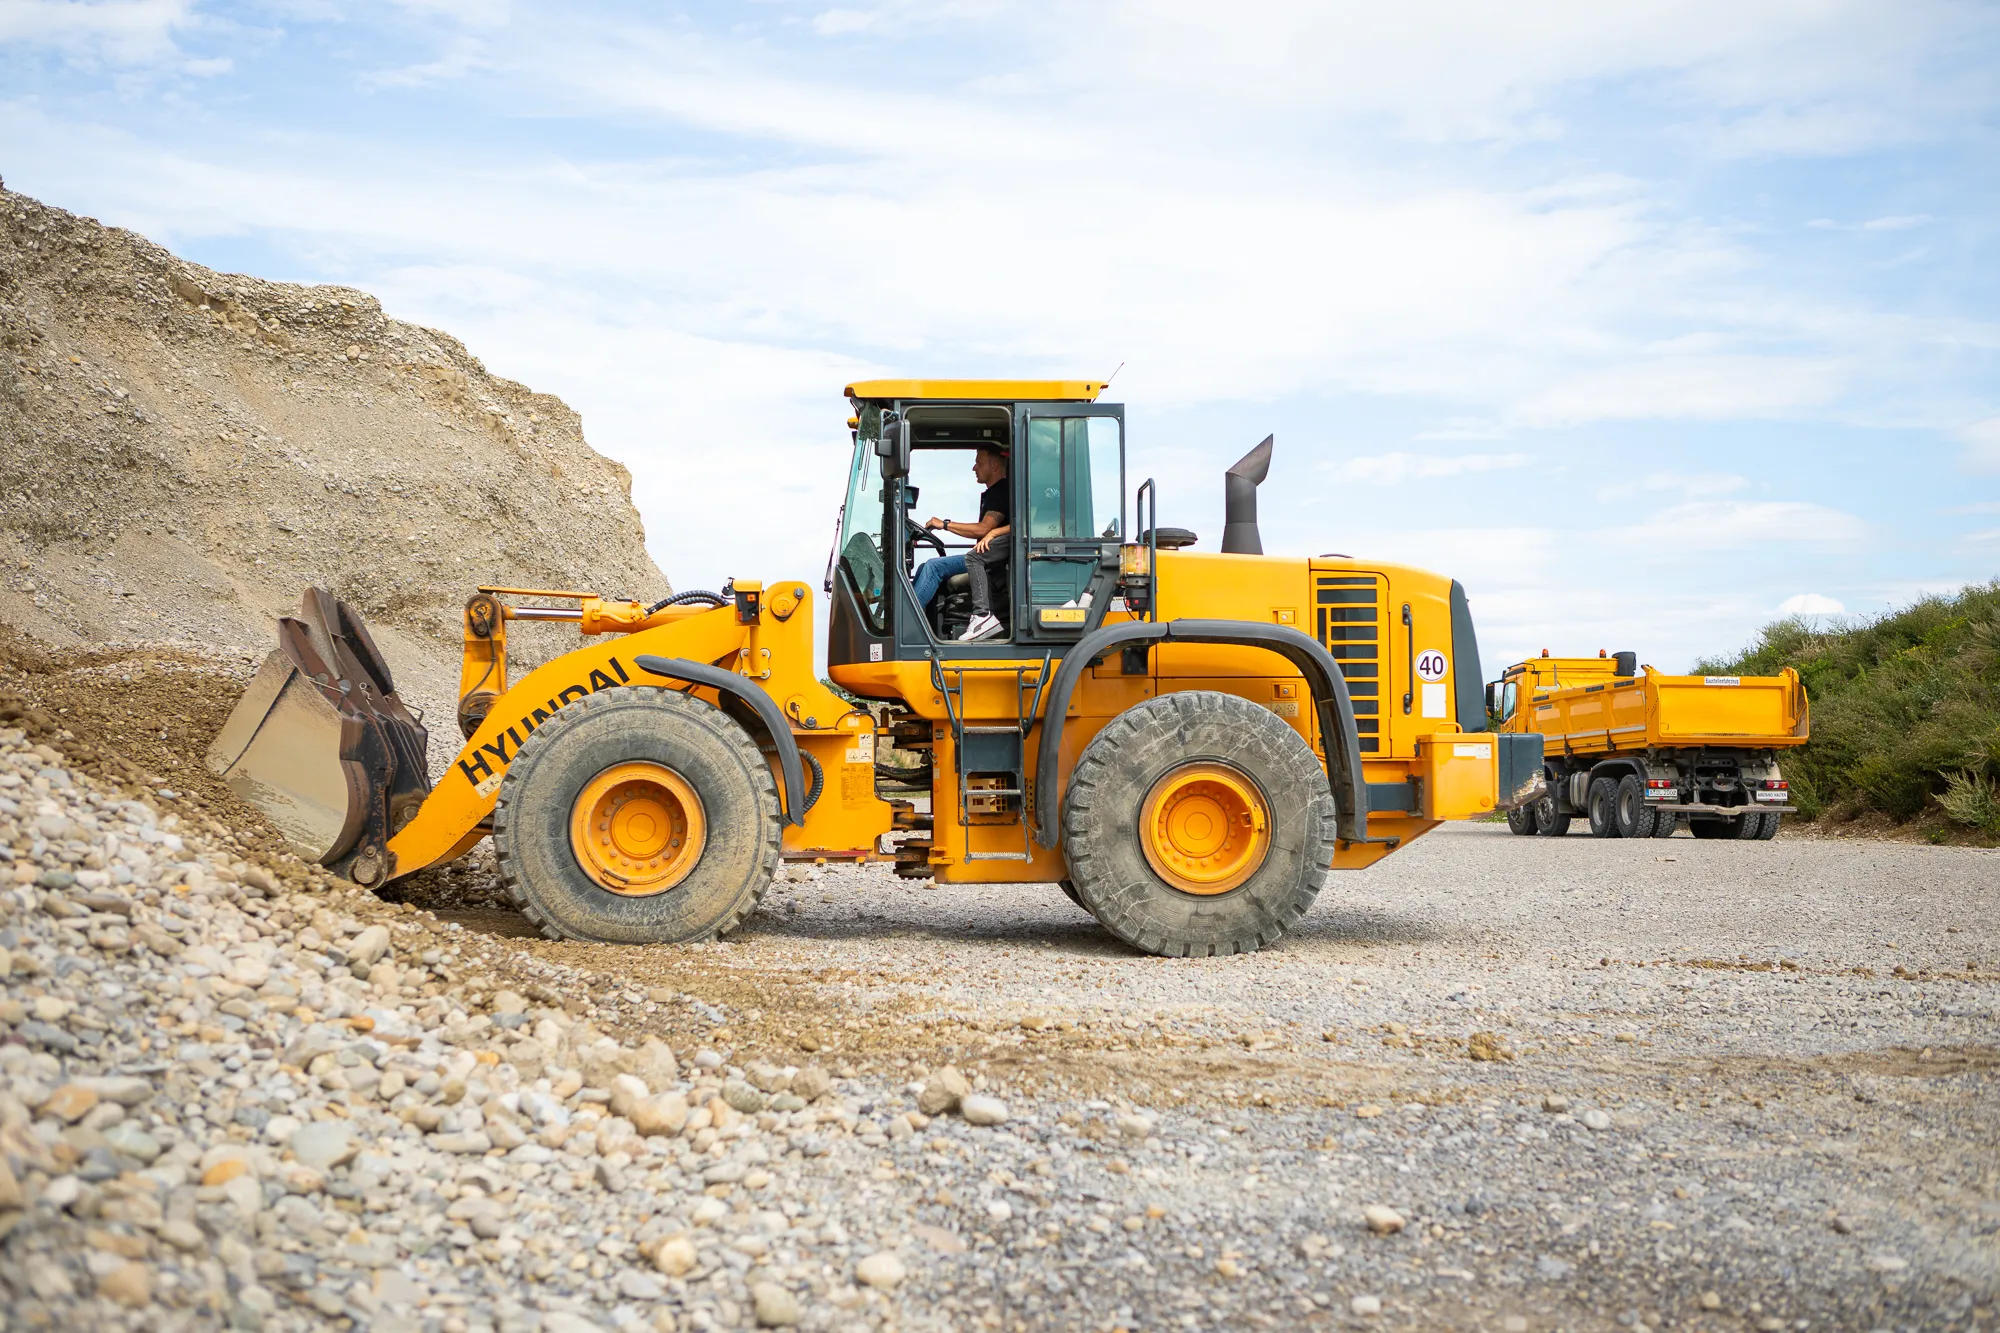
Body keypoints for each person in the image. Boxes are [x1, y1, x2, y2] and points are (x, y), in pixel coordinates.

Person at [913, 444, 1010, 642]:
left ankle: (908, 620)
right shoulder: (993, 493)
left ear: (993, 466)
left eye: (978, 463)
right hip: (986, 556)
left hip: (992, 562)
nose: (974, 468)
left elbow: (984, 529)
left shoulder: (1001, 491)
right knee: (925, 566)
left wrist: (944, 525)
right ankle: (919, 619)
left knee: (933, 567)